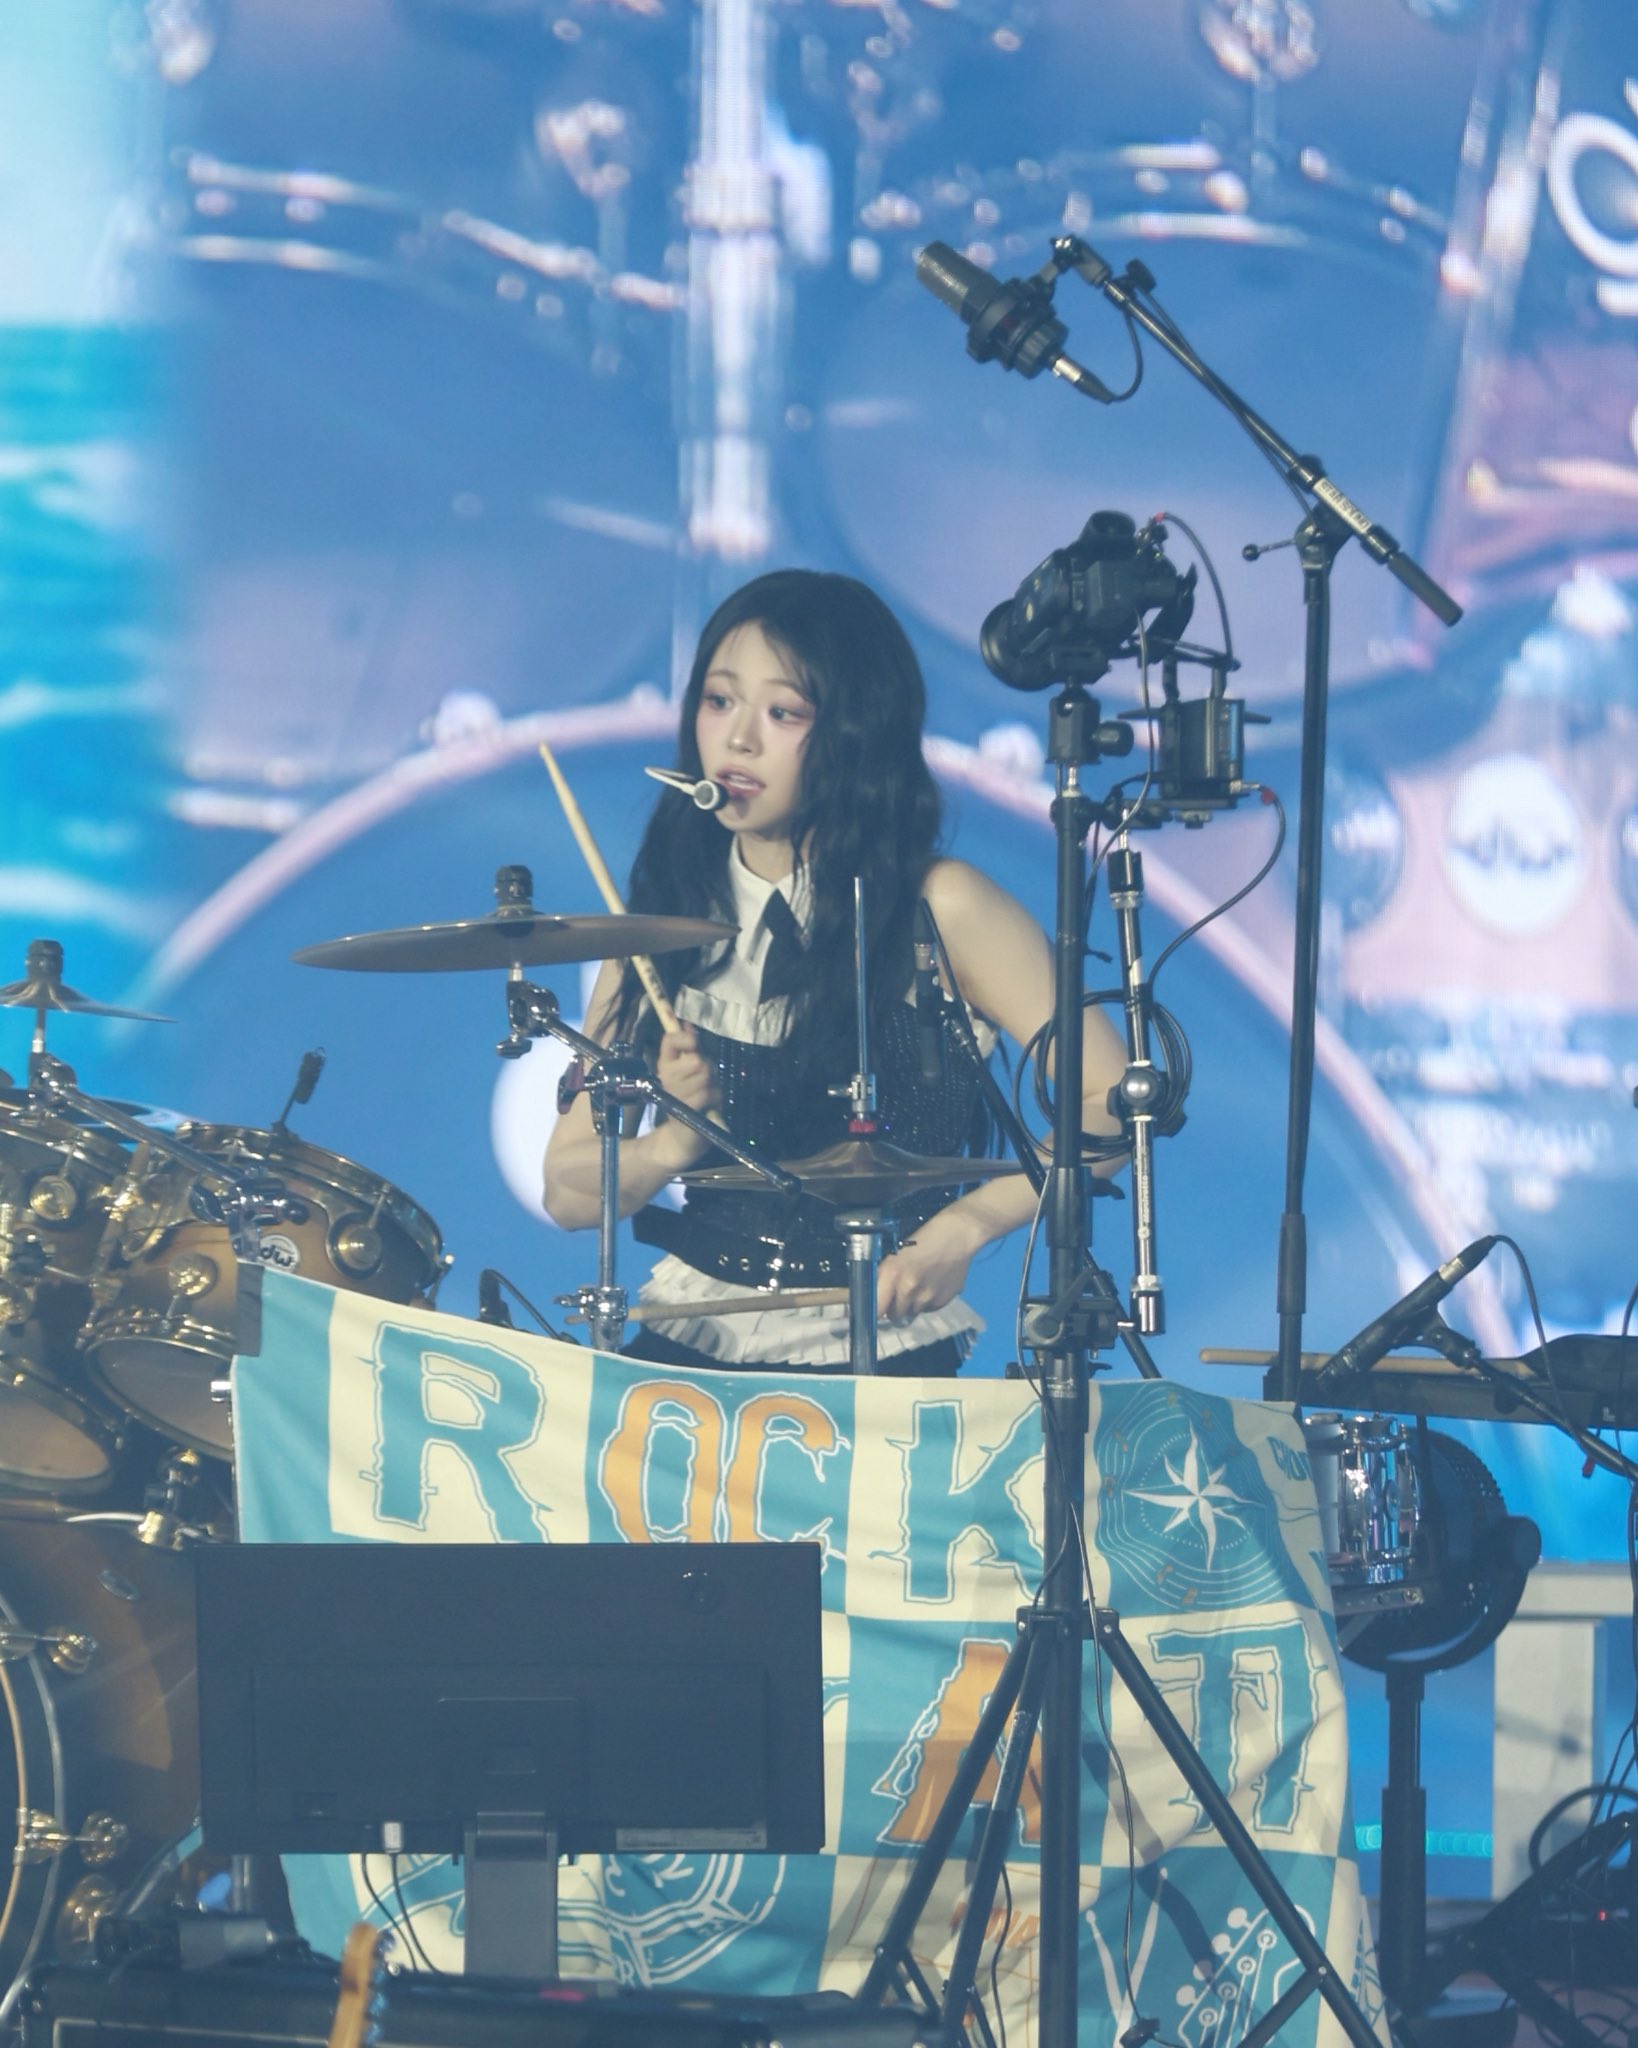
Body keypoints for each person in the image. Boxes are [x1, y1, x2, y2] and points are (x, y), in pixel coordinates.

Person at [542, 569, 1127, 1374]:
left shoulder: (941, 906)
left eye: (782, 712)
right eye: (719, 700)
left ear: (856, 731)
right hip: (690, 1349)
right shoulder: (660, 914)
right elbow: (568, 1193)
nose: (738, 740)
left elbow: (1117, 1101)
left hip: (882, 1351)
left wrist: (966, 1228)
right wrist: (672, 1143)